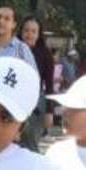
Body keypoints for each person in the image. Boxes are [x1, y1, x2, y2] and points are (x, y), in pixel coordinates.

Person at [19, 14, 53, 147]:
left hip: (35, 104)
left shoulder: (45, 54)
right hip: (14, 100)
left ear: (39, 34)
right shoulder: (13, 49)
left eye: (34, 31)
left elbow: (49, 85)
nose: (29, 34)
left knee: (30, 144)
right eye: (26, 30)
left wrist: (49, 112)